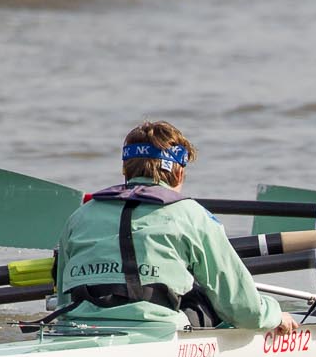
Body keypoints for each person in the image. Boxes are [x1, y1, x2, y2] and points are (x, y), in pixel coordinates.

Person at [50, 121, 297, 334]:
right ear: (179, 174)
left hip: (78, 325)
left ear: (126, 170)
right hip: (157, 329)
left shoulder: (80, 215)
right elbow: (243, 310)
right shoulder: (191, 215)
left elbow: (62, 296)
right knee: (204, 297)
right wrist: (274, 315)